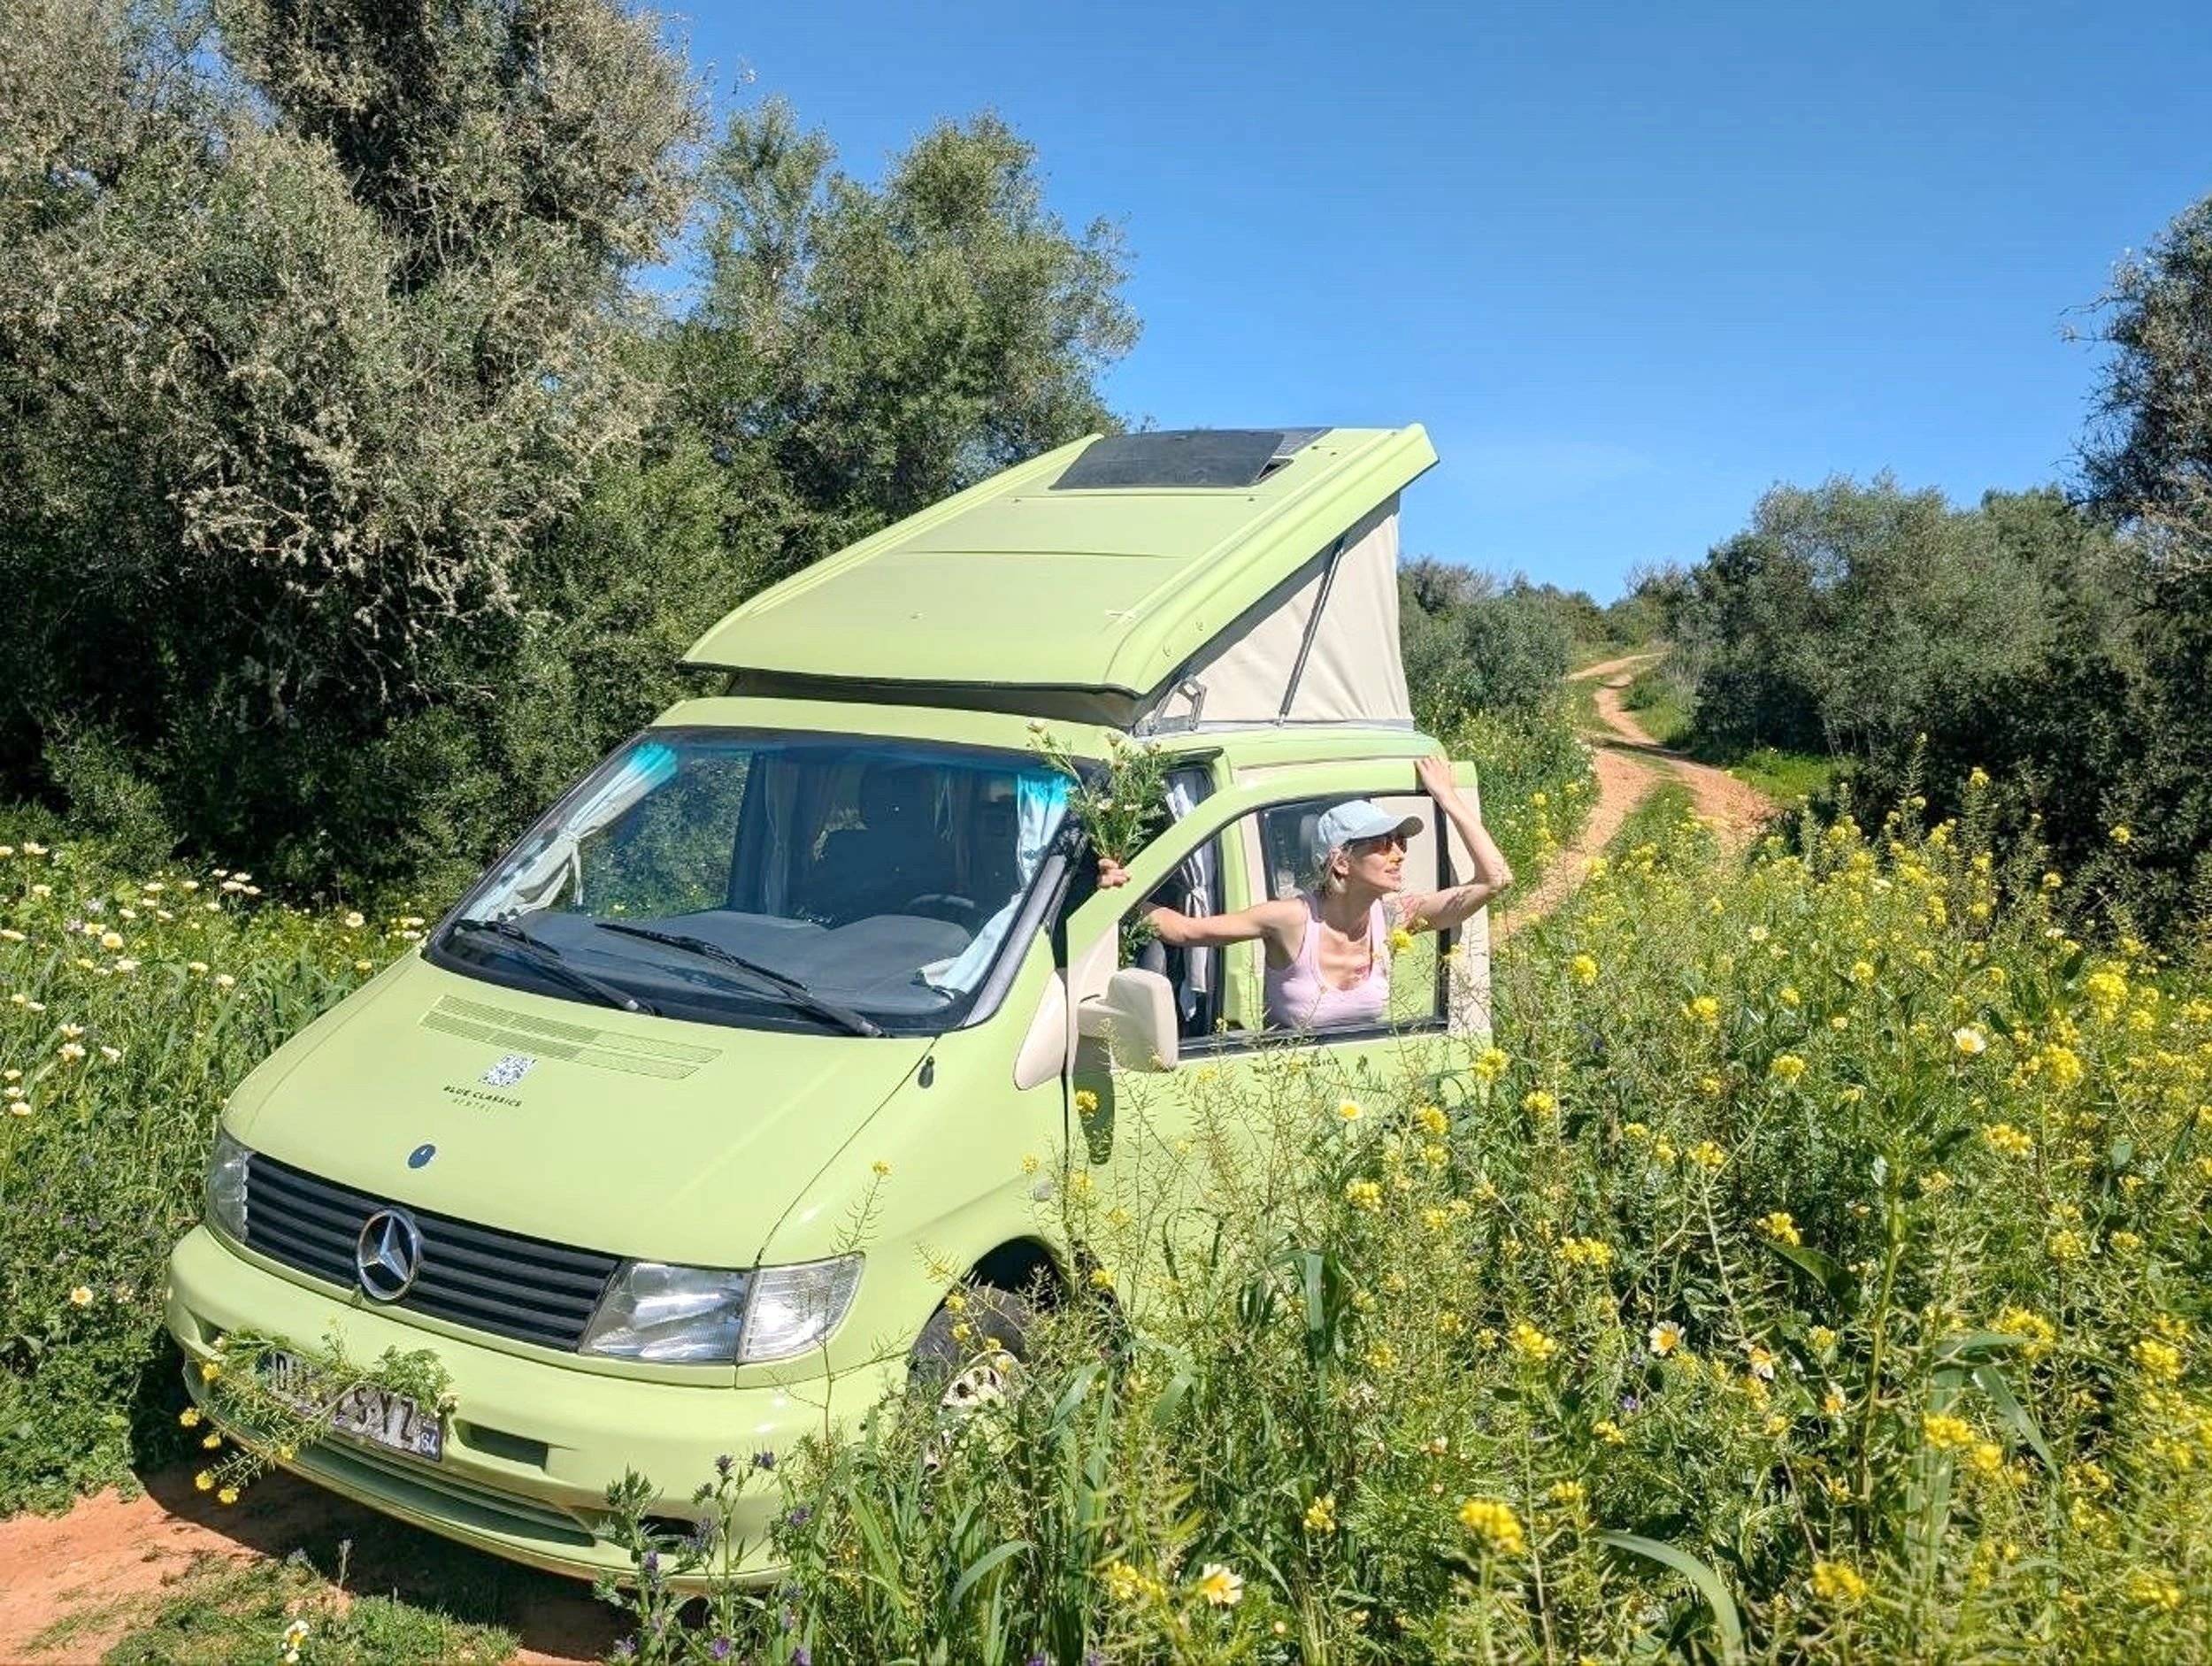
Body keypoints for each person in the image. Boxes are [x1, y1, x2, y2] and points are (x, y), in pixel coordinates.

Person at [1097, 755, 1513, 1031]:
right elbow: (1184, 931)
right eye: (1382, 843)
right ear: (1342, 861)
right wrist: (1120, 893)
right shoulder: (1293, 919)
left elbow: (1495, 879)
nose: (1399, 853)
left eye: (1400, 842)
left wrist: (1447, 798)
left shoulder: (1393, 918)